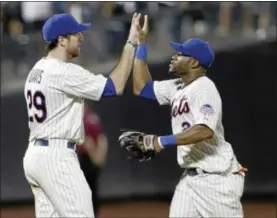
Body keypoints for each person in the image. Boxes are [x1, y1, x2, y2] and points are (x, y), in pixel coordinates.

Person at [122, 15, 247, 217]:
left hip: (217, 179)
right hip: (190, 180)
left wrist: (160, 141)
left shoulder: (205, 88)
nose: (174, 56)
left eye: (181, 54)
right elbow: (141, 87)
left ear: (195, 62)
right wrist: (142, 45)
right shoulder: (177, 87)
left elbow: (204, 130)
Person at [23, 12, 142, 217]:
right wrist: (131, 43)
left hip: (35, 156)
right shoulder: (63, 71)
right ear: (61, 40)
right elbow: (115, 86)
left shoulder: (36, 69)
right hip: (57, 157)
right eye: (76, 34)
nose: (82, 38)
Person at [77, 103, 108, 218]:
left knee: (89, 189)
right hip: (88, 157)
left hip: (88, 159)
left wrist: (98, 156)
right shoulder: (88, 117)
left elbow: (99, 138)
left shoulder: (89, 117)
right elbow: (88, 141)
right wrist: (98, 156)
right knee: (87, 189)